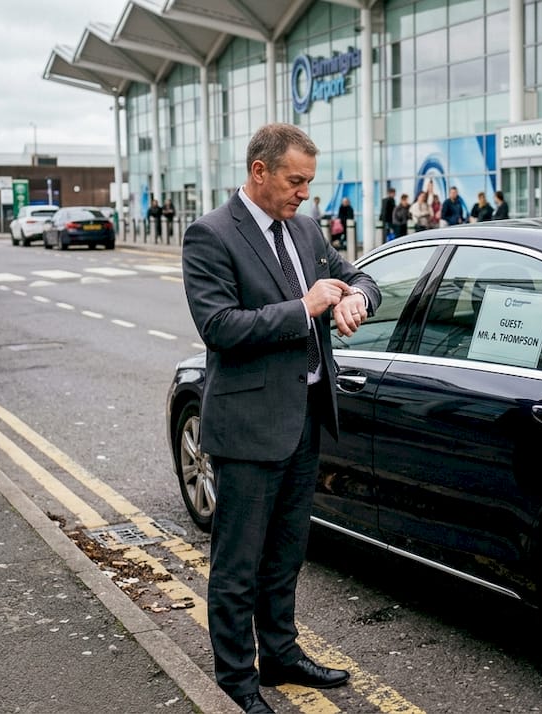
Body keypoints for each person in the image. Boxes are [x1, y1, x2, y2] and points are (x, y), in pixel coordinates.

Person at [181, 123, 380, 714]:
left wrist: (354, 297)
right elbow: (219, 327)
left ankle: (282, 653)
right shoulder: (210, 235)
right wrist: (306, 306)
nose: (304, 194)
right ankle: (237, 680)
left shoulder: (306, 228)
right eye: (296, 181)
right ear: (259, 171)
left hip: (305, 418)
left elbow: (359, 272)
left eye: (310, 184)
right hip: (248, 429)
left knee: (288, 552)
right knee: (238, 562)